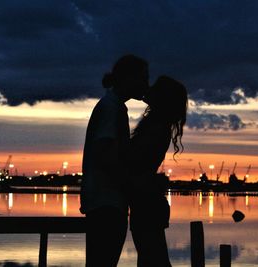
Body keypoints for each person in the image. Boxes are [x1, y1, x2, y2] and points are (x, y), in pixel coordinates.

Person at [80, 54, 149, 267]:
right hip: (107, 204)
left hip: (103, 202)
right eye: (143, 78)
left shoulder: (112, 106)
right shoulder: (111, 109)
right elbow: (105, 153)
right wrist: (130, 184)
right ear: (129, 78)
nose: (146, 84)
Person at [128, 76, 188, 267]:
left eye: (155, 87)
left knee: (152, 259)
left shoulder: (155, 128)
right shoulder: (157, 126)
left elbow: (135, 162)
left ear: (162, 97)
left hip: (146, 203)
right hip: (147, 202)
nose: (149, 88)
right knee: (152, 259)